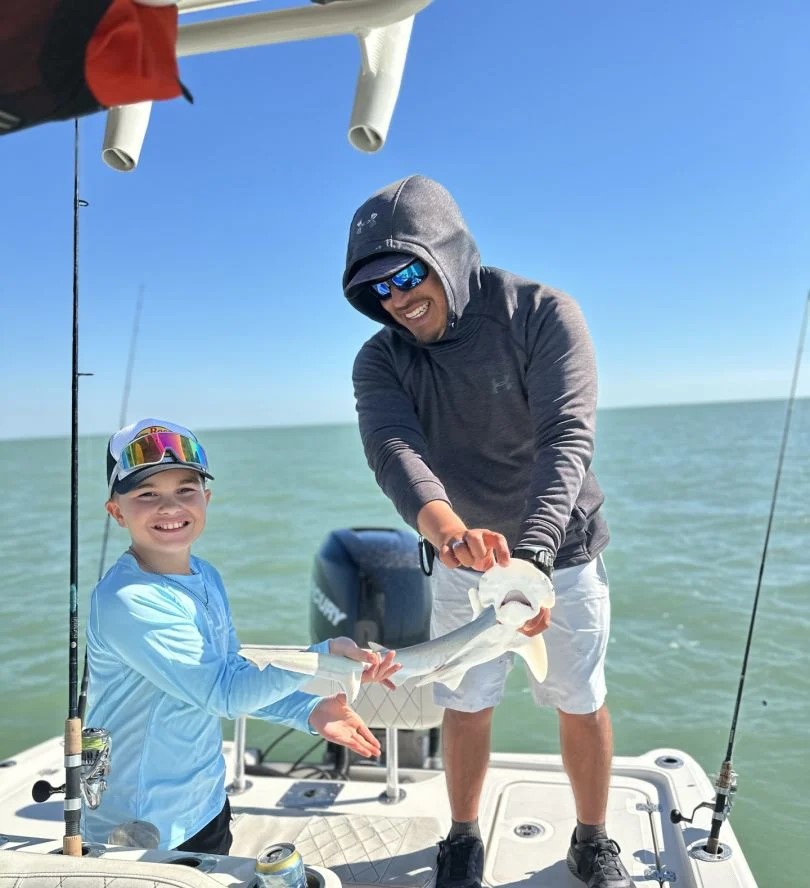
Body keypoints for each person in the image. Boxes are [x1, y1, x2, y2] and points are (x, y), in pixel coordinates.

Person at [341, 176, 635, 888]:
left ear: (447, 255)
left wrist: (530, 561)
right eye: (377, 288)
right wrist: (449, 534)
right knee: (464, 702)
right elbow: (394, 450)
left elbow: (567, 436)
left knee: (580, 698)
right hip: (463, 562)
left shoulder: (539, 313)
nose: (398, 299)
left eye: (409, 273)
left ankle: (591, 837)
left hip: (558, 554)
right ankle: (463, 836)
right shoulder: (380, 360)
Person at [83, 418, 399, 853]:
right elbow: (223, 695)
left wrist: (308, 711)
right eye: (147, 494)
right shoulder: (129, 599)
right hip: (141, 829)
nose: (170, 506)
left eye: (185, 490)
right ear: (116, 512)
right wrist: (322, 659)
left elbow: (232, 672)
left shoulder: (205, 576)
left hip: (205, 804)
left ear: (206, 499)